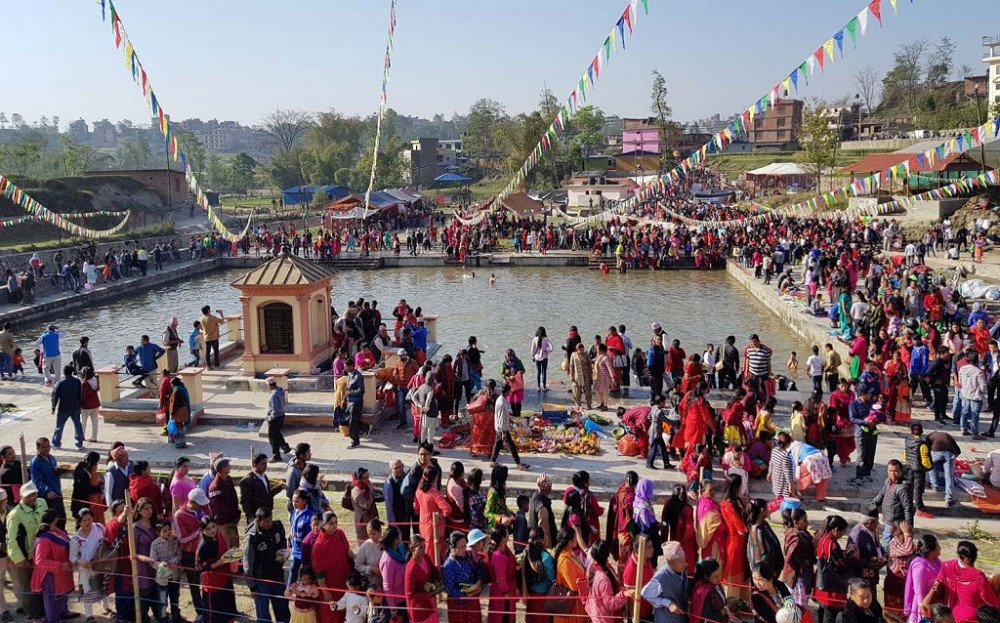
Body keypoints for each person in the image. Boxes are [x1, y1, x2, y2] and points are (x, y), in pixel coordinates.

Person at [923, 541, 1000, 623]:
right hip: (972, 617)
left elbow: (937, 584)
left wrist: (926, 599)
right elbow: (989, 600)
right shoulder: (979, 577)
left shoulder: (947, 566)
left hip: (951, 614)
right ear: (969, 559)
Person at [243, 507, 290, 623]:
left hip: (277, 576)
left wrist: (283, 552)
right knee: (263, 613)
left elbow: (283, 541)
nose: (269, 523)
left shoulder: (277, 526)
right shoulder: (251, 538)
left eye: (270, 520)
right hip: (261, 581)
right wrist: (252, 587)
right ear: (258, 521)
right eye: (266, 521)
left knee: (282, 608)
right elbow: (247, 564)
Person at [8, 482, 46, 622]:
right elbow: (11, 539)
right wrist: (19, 559)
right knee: (28, 586)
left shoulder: (42, 503)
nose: (32, 498)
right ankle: (33, 614)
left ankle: (44, 609)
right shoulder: (14, 514)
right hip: (26, 556)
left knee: (42, 583)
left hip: (41, 553)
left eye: (34, 494)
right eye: (28, 496)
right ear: (22, 497)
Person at [33, 509, 75, 623]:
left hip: (62, 570)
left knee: (63, 592)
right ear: (55, 519)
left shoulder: (56, 531)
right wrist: (60, 565)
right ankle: (53, 619)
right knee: (51, 598)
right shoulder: (44, 538)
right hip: (50, 573)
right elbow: (40, 560)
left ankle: (63, 612)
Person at [69, 508, 111, 621]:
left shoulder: (98, 528)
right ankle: (89, 615)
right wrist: (80, 562)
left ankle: (106, 607)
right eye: (84, 520)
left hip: (101, 565)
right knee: (88, 591)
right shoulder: (75, 539)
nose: (88, 522)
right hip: (86, 569)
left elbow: (106, 541)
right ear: (79, 522)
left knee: (103, 587)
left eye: (89, 519)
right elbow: (72, 557)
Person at [174, 488, 208, 621]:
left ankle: (208, 606)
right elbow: (181, 539)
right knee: (194, 585)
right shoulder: (179, 515)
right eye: (199, 503)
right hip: (189, 554)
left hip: (202, 550)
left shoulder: (200, 510)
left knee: (206, 579)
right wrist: (199, 530)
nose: (202, 505)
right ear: (192, 502)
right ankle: (200, 612)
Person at [313, 511, 353, 623]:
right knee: (331, 616)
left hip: (345, 583)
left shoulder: (340, 533)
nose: (335, 525)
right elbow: (319, 572)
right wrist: (326, 591)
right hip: (330, 588)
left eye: (336, 522)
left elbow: (347, 551)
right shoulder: (318, 546)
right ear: (323, 525)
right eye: (331, 523)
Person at [196, 517, 237, 623]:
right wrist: (217, 564)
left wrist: (232, 555)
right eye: (208, 528)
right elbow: (198, 568)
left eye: (213, 526)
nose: (212, 530)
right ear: (203, 530)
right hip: (213, 585)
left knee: (228, 609)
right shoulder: (203, 546)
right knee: (214, 615)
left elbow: (224, 552)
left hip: (225, 578)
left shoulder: (219, 535)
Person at [641, 540, 689, 623]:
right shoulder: (661, 578)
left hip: (680, 618)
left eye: (684, 559)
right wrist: (668, 603)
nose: (685, 564)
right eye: (681, 561)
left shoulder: (681, 569)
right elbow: (645, 594)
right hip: (666, 619)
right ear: (671, 563)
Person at [815, 515, 851, 623]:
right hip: (831, 587)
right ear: (836, 530)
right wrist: (850, 555)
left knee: (822, 611)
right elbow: (841, 564)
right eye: (843, 531)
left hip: (822, 582)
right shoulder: (832, 544)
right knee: (830, 616)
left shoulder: (823, 539)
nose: (843, 534)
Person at [585, 539, 631, 623]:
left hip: (596, 611)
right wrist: (625, 594)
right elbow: (609, 603)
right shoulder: (603, 579)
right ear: (607, 555)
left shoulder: (591, 566)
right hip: (603, 617)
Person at [871, 460, 914, 546]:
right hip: (888, 519)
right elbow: (881, 495)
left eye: (896, 471)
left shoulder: (903, 487)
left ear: (901, 471)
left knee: (886, 544)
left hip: (895, 522)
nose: (893, 474)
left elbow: (908, 507)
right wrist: (870, 506)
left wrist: (908, 526)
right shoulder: (888, 481)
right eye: (890, 471)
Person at [414, 465, 451, 563]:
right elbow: (447, 509)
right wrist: (440, 516)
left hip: (423, 526)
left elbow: (416, 507)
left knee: (425, 552)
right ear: (436, 477)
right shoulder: (435, 494)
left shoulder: (419, 490)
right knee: (434, 556)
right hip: (435, 529)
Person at [149, 519, 183, 623]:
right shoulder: (155, 544)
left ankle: (176, 618)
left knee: (175, 599)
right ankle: (163, 619)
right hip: (162, 578)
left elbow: (179, 554)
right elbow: (152, 561)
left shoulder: (175, 541)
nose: (168, 532)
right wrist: (161, 564)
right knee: (163, 602)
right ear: (159, 532)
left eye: (169, 529)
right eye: (164, 530)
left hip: (175, 576)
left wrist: (173, 561)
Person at [781, 508, 815, 609]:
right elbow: (792, 559)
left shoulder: (802, 534)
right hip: (798, 577)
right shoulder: (796, 537)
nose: (807, 522)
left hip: (802, 574)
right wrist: (807, 561)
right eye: (804, 520)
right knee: (798, 605)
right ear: (796, 523)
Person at [904, 534, 941, 623]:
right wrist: (923, 611)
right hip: (923, 607)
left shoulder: (936, 562)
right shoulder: (920, 566)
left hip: (935, 603)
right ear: (932, 548)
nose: (940, 547)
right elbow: (918, 591)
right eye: (938, 545)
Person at [553, 526, 587, 623]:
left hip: (577, 603)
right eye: (575, 537)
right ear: (569, 541)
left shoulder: (570, 553)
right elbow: (573, 587)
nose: (577, 539)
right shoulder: (565, 561)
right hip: (570, 606)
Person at [490, 383, 528, 470]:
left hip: (500, 427)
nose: (510, 392)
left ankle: (492, 461)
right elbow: (501, 418)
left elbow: (503, 415)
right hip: (502, 428)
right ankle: (518, 463)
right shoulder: (501, 403)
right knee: (511, 446)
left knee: (498, 444)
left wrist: (509, 418)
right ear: (507, 391)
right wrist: (504, 432)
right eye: (509, 391)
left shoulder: (502, 399)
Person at [403, 534, 440, 623]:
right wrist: (427, 594)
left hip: (429, 604)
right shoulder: (411, 569)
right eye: (420, 548)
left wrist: (439, 583)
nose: (424, 550)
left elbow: (434, 572)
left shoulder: (426, 557)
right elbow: (409, 594)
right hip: (419, 610)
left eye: (424, 547)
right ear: (412, 550)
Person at [239, 453, 283, 525]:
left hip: (267, 514)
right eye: (262, 463)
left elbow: (267, 494)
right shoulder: (247, 481)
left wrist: (278, 488)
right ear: (255, 465)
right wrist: (251, 517)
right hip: (257, 517)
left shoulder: (263, 476)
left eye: (266, 463)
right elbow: (245, 502)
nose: (265, 466)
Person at [522, 527, 555, 623]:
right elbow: (553, 578)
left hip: (531, 596)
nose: (547, 536)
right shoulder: (546, 558)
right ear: (541, 540)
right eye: (545, 535)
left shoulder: (527, 553)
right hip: (543, 599)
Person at [661, 485, 696, 573]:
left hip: (673, 542)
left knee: (675, 570)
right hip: (685, 544)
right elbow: (689, 529)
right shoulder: (687, 509)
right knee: (687, 571)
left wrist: (664, 542)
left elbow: (664, 524)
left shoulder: (668, 504)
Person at [884, 520, 915, 617]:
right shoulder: (893, 544)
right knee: (894, 613)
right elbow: (907, 551)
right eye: (904, 534)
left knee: (905, 610)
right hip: (895, 581)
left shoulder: (907, 542)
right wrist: (907, 534)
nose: (907, 536)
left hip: (905, 581)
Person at [488, 526, 518, 623]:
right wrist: (506, 593)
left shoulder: (504, 548)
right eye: (507, 532)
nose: (508, 533)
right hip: (503, 593)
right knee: (504, 617)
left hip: (509, 588)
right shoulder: (498, 556)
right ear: (502, 539)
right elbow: (500, 579)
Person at [208, 457, 240, 547]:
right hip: (223, 523)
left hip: (232, 520)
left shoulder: (228, 480)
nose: (230, 466)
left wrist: (236, 515)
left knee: (235, 547)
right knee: (226, 548)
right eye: (227, 465)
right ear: (222, 468)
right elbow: (218, 507)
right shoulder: (215, 486)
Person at [51, 365, 84, 451]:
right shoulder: (77, 381)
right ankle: (79, 442)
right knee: (77, 425)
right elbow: (80, 394)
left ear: (64, 372)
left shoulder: (60, 382)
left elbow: (55, 395)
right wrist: (80, 405)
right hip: (75, 407)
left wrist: (53, 406)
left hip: (63, 408)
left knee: (59, 426)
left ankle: (56, 443)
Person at [30, 439, 64, 520]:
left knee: (62, 519)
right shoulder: (35, 462)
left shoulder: (51, 458)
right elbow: (36, 482)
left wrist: (58, 471)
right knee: (51, 522)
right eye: (43, 447)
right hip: (47, 497)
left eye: (48, 446)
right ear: (38, 448)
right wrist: (47, 491)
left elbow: (53, 471)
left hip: (57, 492)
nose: (47, 449)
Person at [689, 558, 731, 623]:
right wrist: (724, 610)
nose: (719, 578)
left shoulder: (716, 584)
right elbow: (706, 619)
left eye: (719, 574)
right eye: (715, 576)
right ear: (706, 576)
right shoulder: (703, 592)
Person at [928, 430, 962, 508]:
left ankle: (934, 485)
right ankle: (949, 498)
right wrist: (952, 461)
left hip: (936, 453)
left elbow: (925, 450)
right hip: (949, 454)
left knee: (931, 467)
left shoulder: (930, 437)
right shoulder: (948, 435)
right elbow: (958, 450)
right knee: (949, 475)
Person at [695, 479, 726, 562]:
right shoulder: (709, 505)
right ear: (703, 491)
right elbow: (717, 525)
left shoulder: (701, 500)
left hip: (706, 539)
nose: (713, 492)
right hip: (714, 540)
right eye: (710, 490)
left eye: (714, 489)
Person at [70, 452, 105, 523]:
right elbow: (87, 488)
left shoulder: (89, 471)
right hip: (80, 505)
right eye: (96, 463)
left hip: (86, 504)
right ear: (92, 464)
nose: (97, 465)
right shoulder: (81, 473)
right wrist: (99, 488)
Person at [350, 468, 378, 543]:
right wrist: (371, 491)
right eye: (365, 478)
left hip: (371, 519)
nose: (367, 479)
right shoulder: (356, 491)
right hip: (363, 523)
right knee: (365, 544)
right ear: (359, 478)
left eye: (368, 476)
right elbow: (366, 505)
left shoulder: (367, 485)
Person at [266, 377, 291, 462]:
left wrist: (270, 418)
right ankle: (285, 447)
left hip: (275, 418)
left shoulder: (273, 395)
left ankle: (276, 455)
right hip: (281, 416)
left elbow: (275, 410)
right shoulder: (280, 391)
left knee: (273, 437)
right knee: (277, 434)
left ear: (269, 385)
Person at [528, 474, 556, 548]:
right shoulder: (542, 507)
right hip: (541, 545)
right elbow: (544, 529)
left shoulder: (534, 497)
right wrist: (548, 548)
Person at [346, 360, 365, 448]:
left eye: (346, 366)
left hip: (356, 401)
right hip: (350, 401)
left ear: (351, 366)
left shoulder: (358, 376)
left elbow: (361, 391)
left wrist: (351, 392)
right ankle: (366, 427)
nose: (345, 368)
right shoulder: (350, 375)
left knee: (353, 422)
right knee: (352, 420)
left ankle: (355, 440)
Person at [79, 367, 101, 444]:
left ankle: (82, 436)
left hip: (86, 405)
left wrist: (79, 404)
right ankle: (94, 437)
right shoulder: (95, 380)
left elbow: (82, 396)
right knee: (95, 421)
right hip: (95, 403)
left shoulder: (84, 384)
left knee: (83, 421)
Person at [570, 343, 594, 409]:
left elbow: (589, 364)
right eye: (580, 350)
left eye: (582, 349)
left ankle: (589, 405)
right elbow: (571, 366)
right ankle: (578, 405)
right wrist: (571, 376)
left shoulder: (586, 354)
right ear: (577, 349)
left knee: (587, 391)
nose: (581, 351)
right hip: (577, 376)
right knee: (577, 391)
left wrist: (591, 374)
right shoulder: (573, 355)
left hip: (586, 375)